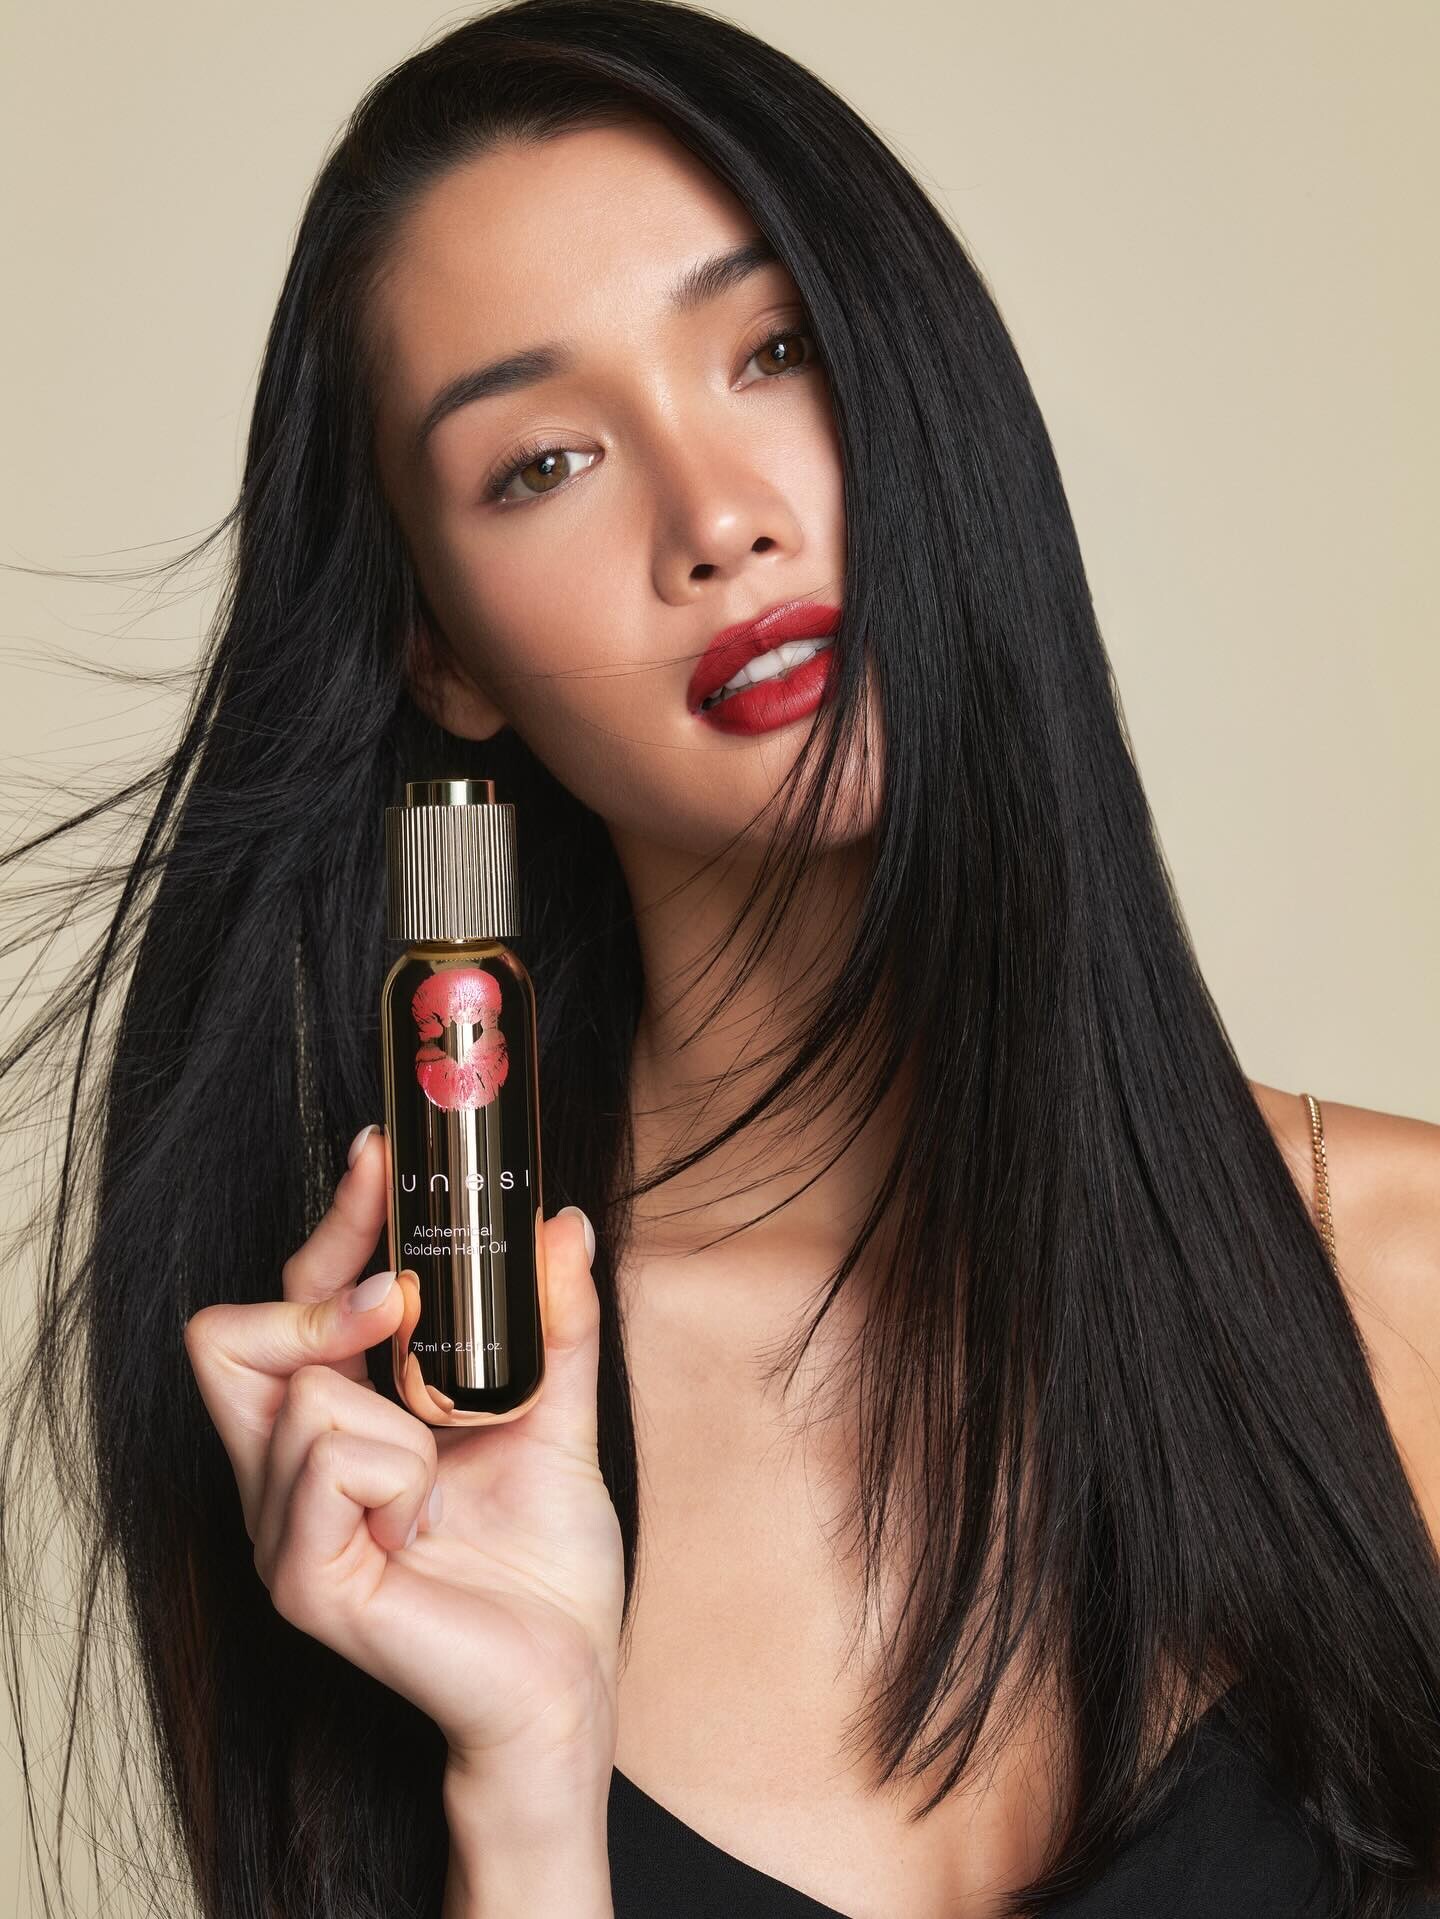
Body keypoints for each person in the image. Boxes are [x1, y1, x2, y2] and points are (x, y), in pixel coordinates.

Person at [2, 2, 1437, 1915]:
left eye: (773, 351)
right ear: (442, 649)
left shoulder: (1412, 1282)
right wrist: (526, 1788)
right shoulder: (386, 1454)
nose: (719, 522)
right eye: (544, 462)